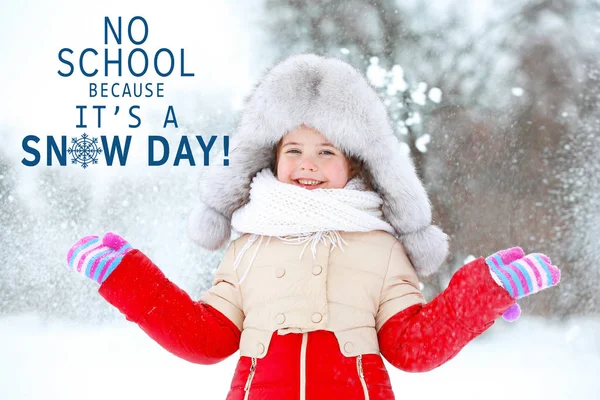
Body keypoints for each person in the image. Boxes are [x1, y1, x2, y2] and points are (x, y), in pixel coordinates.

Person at [65, 54, 560, 400]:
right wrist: (127, 279)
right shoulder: (248, 246)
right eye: (293, 151)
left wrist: (485, 291)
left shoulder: (381, 248)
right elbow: (206, 337)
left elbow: (413, 347)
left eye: (327, 152)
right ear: (272, 160)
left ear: (356, 167)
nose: (308, 164)